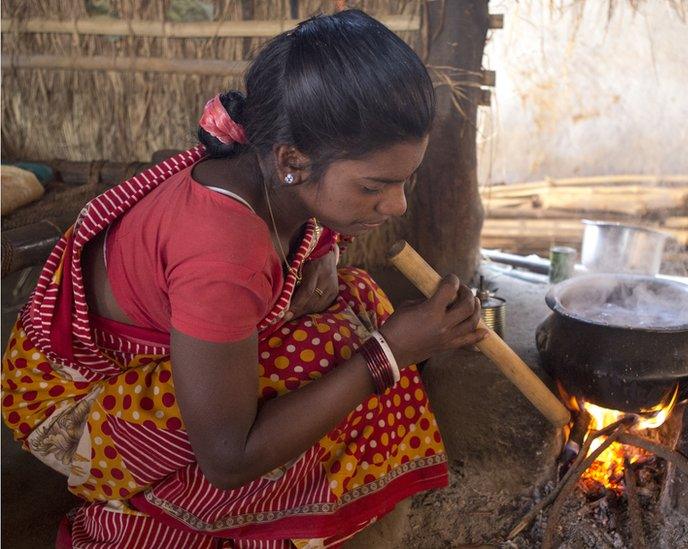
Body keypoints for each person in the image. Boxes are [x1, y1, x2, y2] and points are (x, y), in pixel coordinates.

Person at [1, 10, 486, 548]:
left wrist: (322, 251)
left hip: (148, 359)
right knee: (338, 351)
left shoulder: (263, 172)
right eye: (376, 185)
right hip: (74, 413)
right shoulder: (223, 255)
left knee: (357, 298)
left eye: (405, 180)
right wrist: (390, 353)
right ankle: (154, 512)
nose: (395, 205)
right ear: (293, 161)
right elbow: (228, 460)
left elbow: (312, 235)